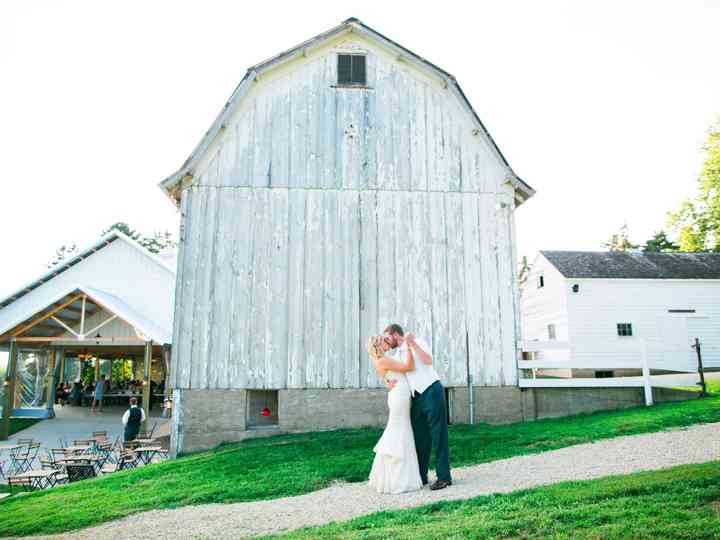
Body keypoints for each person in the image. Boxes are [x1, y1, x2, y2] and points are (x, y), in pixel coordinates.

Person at [384, 323, 452, 491]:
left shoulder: (418, 342)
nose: (386, 342)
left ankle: (444, 477)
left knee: (439, 435)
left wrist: (412, 343)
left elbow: (428, 360)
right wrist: (387, 381)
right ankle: (421, 476)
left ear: (395, 335)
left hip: (431, 390)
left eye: (387, 338)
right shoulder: (398, 354)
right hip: (416, 397)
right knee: (420, 438)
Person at [367, 335, 422, 494]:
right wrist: (411, 348)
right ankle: (398, 478)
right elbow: (409, 367)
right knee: (399, 429)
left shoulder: (379, 361)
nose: (388, 342)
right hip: (399, 396)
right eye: (385, 341)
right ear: (379, 344)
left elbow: (387, 379)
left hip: (398, 395)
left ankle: (393, 475)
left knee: (400, 428)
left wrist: (386, 383)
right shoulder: (384, 360)